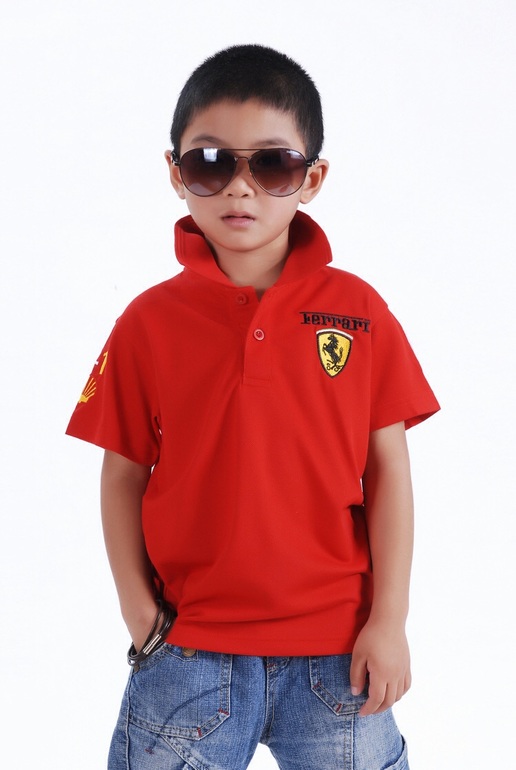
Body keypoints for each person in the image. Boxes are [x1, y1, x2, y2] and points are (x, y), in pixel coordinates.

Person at [67, 44, 439, 770]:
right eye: (211, 162)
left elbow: (389, 472)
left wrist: (389, 620)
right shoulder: (147, 323)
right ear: (176, 173)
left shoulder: (359, 312)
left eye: (271, 165)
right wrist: (140, 616)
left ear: (312, 178)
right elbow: (122, 474)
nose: (240, 187)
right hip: (189, 655)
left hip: (339, 656)